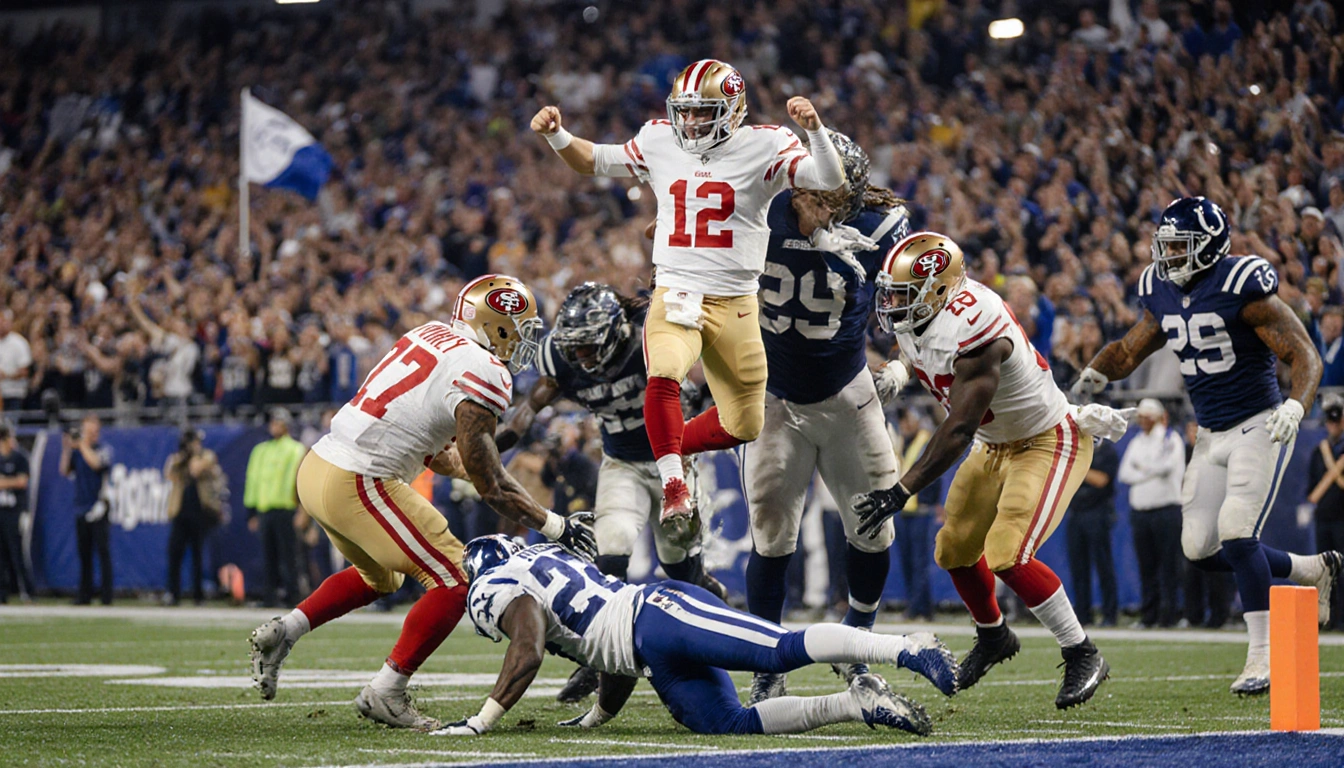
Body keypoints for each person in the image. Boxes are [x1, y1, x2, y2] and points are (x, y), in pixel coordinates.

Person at [247, 274, 597, 730]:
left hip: (318, 469)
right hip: (361, 478)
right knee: (455, 576)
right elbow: (490, 485)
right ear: (495, 325)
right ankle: (386, 691)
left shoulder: (427, 335)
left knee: (382, 578)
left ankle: (286, 630)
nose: (524, 339)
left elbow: (439, 453)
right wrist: (557, 526)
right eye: (518, 326)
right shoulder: (483, 369)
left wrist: (487, 460)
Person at [531, 59, 846, 543]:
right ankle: (674, 483)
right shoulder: (660, 138)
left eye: (705, 111)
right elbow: (593, 158)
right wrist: (558, 135)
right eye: (688, 111)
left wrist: (816, 131)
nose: (694, 122)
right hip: (677, 288)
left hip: (738, 299)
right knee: (664, 373)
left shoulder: (765, 144)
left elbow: (827, 178)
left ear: (734, 110)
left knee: (745, 423)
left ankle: (669, 449)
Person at [1075, 196, 1343, 694]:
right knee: (1198, 548)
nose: (1169, 256)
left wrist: (1295, 406)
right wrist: (1091, 376)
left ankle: (1261, 659)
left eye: (1180, 246)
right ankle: (1309, 568)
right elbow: (1131, 348)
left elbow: (1304, 352)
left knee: (1237, 535)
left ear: (1210, 247)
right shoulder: (1161, 289)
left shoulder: (1243, 286)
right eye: (1166, 246)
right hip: (1211, 431)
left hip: (1260, 423)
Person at [854, 232, 1131, 710]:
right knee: (954, 549)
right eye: (892, 293)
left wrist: (902, 490)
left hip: (1047, 440)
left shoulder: (976, 326)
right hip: (994, 442)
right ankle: (994, 635)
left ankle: (1082, 651)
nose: (894, 304)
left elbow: (958, 427)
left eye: (905, 295)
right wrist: (900, 372)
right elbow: (917, 351)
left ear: (939, 291)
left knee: (1008, 553)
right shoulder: (923, 314)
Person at [429, 536, 958, 739]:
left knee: (778, 648)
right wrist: (598, 715)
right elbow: (604, 646)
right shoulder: (543, 558)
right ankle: (855, 703)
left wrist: (481, 722)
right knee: (722, 722)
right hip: (645, 644)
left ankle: (909, 647)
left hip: (659, 614)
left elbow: (528, 646)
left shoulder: (494, 584)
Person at [496, 282, 728, 703]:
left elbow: (714, 371)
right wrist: (497, 440)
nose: (581, 356)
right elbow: (531, 406)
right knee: (612, 548)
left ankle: (709, 611)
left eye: (589, 346)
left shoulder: (650, 337)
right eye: (575, 347)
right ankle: (602, 656)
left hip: (673, 459)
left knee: (679, 570)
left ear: (614, 332)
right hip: (620, 461)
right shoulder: (561, 356)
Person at [740, 130, 909, 703]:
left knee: (872, 526)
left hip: (847, 392)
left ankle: (857, 650)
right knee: (771, 530)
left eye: (840, 200)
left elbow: (915, 305)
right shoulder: (759, 212)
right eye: (819, 197)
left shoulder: (881, 228)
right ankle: (767, 661)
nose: (827, 210)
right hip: (774, 397)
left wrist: (904, 367)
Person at [1118, 398, 1186, 629]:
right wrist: (1149, 472)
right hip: (1141, 512)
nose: (1143, 421)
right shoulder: (1136, 442)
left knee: (1168, 566)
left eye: (1147, 416)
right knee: (1147, 566)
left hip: (1166, 510)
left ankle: (1169, 615)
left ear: (1158, 417)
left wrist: (1142, 469)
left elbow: (1167, 468)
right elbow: (1125, 473)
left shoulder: (1170, 438)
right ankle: (1149, 615)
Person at [244, 409, 308, 608]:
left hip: (286, 509)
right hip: (265, 509)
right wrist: (251, 511)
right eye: (273, 423)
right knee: (268, 555)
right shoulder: (260, 450)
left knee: (289, 556)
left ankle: (293, 596)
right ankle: (270, 596)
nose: (274, 426)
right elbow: (253, 480)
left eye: (278, 423)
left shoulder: (295, 449)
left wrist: (301, 508)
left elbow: (300, 480)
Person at [164, 427, 225, 606]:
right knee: (174, 552)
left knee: (198, 555)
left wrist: (193, 454)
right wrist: (184, 455)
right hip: (180, 512)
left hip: (199, 512)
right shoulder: (177, 458)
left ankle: (198, 596)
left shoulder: (206, 456)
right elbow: (169, 473)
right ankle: (173, 593)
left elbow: (195, 470)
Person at [1066, 437, 1120, 627]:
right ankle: (1083, 614)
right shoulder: (1076, 449)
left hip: (1098, 511)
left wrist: (1080, 470)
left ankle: (1110, 614)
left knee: (1103, 564)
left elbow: (1101, 480)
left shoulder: (1106, 451)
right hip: (1076, 511)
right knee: (1078, 567)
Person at [59, 413, 112, 605]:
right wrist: (67, 448)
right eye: (88, 430)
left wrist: (81, 444)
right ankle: (85, 595)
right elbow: (64, 470)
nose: (92, 434)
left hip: (99, 507)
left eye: (94, 430)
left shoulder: (103, 449)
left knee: (103, 553)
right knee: (84, 554)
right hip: (81, 506)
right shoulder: (77, 451)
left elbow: (97, 463)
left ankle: (107, 596)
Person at [893, 408, 938, 623]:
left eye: (908, 420)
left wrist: (936, 502)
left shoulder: (927, 441)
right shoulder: (902, 442)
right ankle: (917, 605)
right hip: (904, 511)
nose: (904, 425)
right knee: (908, 561)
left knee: (920, 562)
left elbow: (935, 473)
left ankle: (919, 608)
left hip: (921, 510)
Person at [1308, 394, 1344, 632]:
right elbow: (1312, 490)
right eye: (1329, 422)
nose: (1332, 426)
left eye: (1336, 421)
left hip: (1342, 519)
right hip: (1324, 518)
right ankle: (1328, 617)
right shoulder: (1319, 452)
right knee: (1326, 572)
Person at [0, 421, 34, 603]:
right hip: (1, 512)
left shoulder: (20, 457)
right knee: (1, 556)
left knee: (18, 554)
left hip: (15, 512)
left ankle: (27, 591)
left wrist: (4, 481)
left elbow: (22, 482)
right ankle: (2, 594)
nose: (13, 441)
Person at [0, 311, 32, 414]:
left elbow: (25, 372)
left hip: (14, 393)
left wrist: (7, 375)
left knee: (10, 427)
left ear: (10, 323)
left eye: (3, 321)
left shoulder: (19, 343)